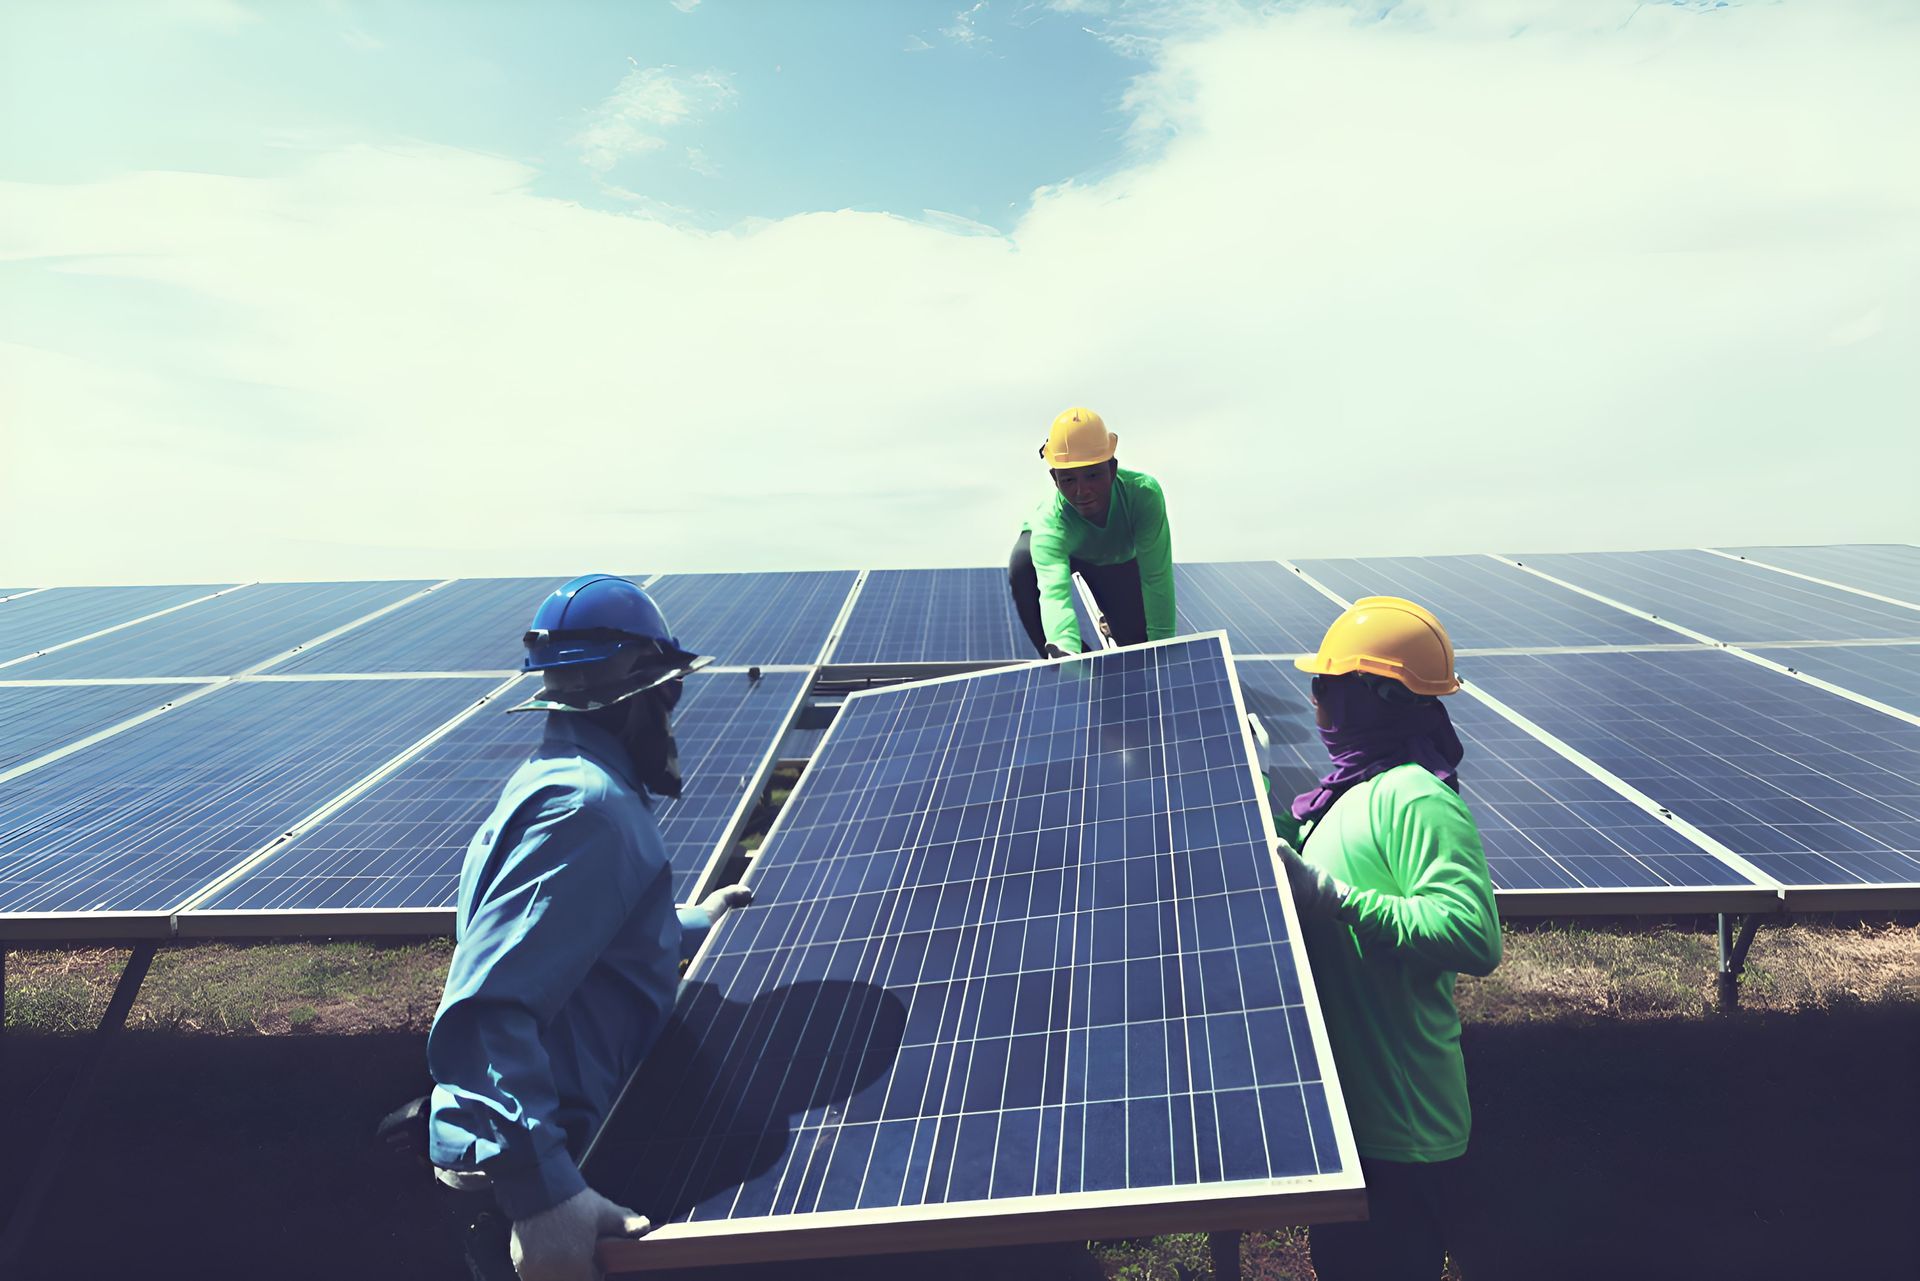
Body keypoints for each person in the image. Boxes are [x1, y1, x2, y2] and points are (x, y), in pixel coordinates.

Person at [423, 573, 753, 1281]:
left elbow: (578, 936)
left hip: (539, 1144)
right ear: (641, 693)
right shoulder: (586, 810)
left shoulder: (561, 779)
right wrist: (545, 1199)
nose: (673, 707)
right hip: (534, 1169)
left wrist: (698, 921)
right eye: (668, 689)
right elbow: (487, 1010)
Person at [1269, 596, 1501, 1281]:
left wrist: (1331, 896)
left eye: (1326, 688)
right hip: (1353, 1118)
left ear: (1373, 697)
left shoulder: (1416, 796)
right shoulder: (1346, 792)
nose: (1317, 706)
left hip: (1403, 1129)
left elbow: (1473, 933)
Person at [1008, 406, 1174, 658]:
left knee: (1138, 645)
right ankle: (1078, 666)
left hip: (1116, 562)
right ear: (1054, 479)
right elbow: (1054, 594)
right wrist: (1066, 650)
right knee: (1022, 562)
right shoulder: (1050, 523)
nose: (1082, 490)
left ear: (1113, 468)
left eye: (1093, 475)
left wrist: (1164, 650)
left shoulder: (1143, 496)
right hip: (1066, 553)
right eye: (1069, 479)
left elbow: (1156, 577)